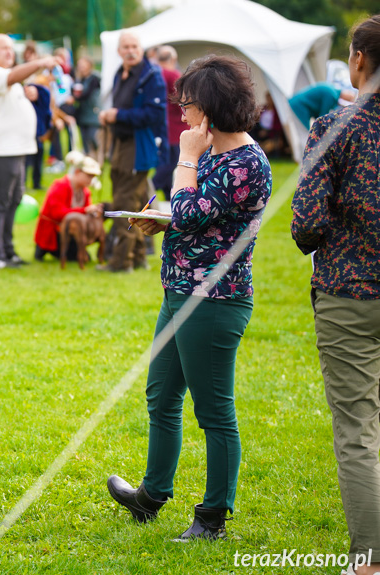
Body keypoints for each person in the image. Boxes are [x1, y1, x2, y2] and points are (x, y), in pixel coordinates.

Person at [106, 55, 272, 541]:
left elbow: (189, 208)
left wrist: (184, 160)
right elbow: (187, 218)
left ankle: (213, 517)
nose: (182, 115)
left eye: (189, 105)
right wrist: (156, 220)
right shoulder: (213, 155)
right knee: (161, 394)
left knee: (214, 412)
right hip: (179, 291)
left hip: (215, 300)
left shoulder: (244, 161)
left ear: (213, 108)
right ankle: (152, 495)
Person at [291, 15, 380, 575]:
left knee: (357, 431)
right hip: (352, 288)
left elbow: (305, 227)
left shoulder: (334, 126)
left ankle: (369, 562)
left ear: (359, 62)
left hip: (351, 294)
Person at [0, 34, 61, 269]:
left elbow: (12, 87)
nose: (9, 52)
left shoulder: (4, 77)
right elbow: (11, 77)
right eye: (3, 48)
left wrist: (28, 93)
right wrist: (40, 63)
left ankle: (8, 251)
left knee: (13, 202)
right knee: (0, 203)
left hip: (15, 150)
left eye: (12, 49)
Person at [98, 31, 166, 273]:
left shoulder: (151, 76)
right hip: (121, 144)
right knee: (135, 203)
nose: (130, 50)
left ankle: (120, 261)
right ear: (119, 51)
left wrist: (119, 115)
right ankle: (137, 256)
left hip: (139, 146)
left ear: (141, 49)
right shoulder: (120, 74)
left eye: (134, 46)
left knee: (123, 203)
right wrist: (111, 115)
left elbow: (155, 114)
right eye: (125, 46)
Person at [33, 150, 101, 261]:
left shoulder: (85, 192)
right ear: (78, 172)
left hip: (72, 232)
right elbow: (57, 214)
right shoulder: (61, 186)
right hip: (53, 234)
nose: (90, 179)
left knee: (84, 258)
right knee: (76, 257)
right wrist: (84, 210)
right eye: (88, 175)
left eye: (92, 176)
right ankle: (43, 249)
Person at [151, 46, 187, 202]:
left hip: (160, 128)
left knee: (166, 163)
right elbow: (183, 102)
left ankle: (167, 198)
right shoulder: (173, 75)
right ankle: (149, 189)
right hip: (176, 129)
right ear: (173, 59)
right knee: (171, 164)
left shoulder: (153, 75)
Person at [73, 56, 101, 155]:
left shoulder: (95, 78)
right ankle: (88, 159)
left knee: (92, 137)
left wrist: (74, 98)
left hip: (93, 113)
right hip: (82, 114)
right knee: (84, 140)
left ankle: (98, 157)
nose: (81, 67)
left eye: (83, 65)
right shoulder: (78, 80)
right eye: (79, 65)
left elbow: (86, 94)